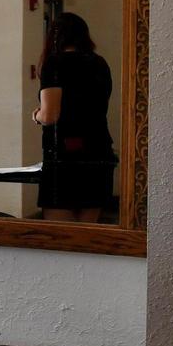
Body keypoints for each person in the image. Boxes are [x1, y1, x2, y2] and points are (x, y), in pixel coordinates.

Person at [33, 12, 117, 223]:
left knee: (61, 235)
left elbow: (50, 115)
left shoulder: (55, 63)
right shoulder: (100, 63)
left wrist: (37, 115)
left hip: (65, 154)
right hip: (98, 149)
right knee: (88, 232)